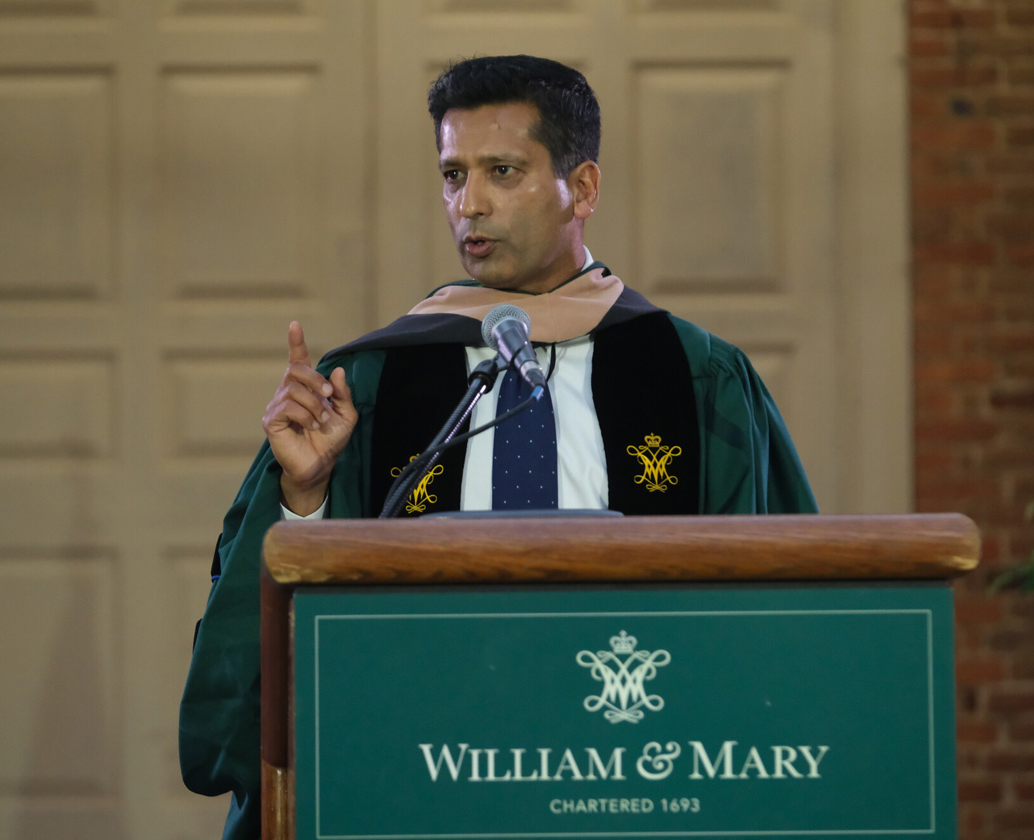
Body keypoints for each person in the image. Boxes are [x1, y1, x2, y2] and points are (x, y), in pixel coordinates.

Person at [179, 54, 817, 839]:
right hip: (427, 786)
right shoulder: (370, 383)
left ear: (582, 188)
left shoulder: (695, 378)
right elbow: (275, 662)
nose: (469, 204)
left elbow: (776, 616)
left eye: (502, 172)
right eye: (453, 175)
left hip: (630, 783)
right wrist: (305, 499)